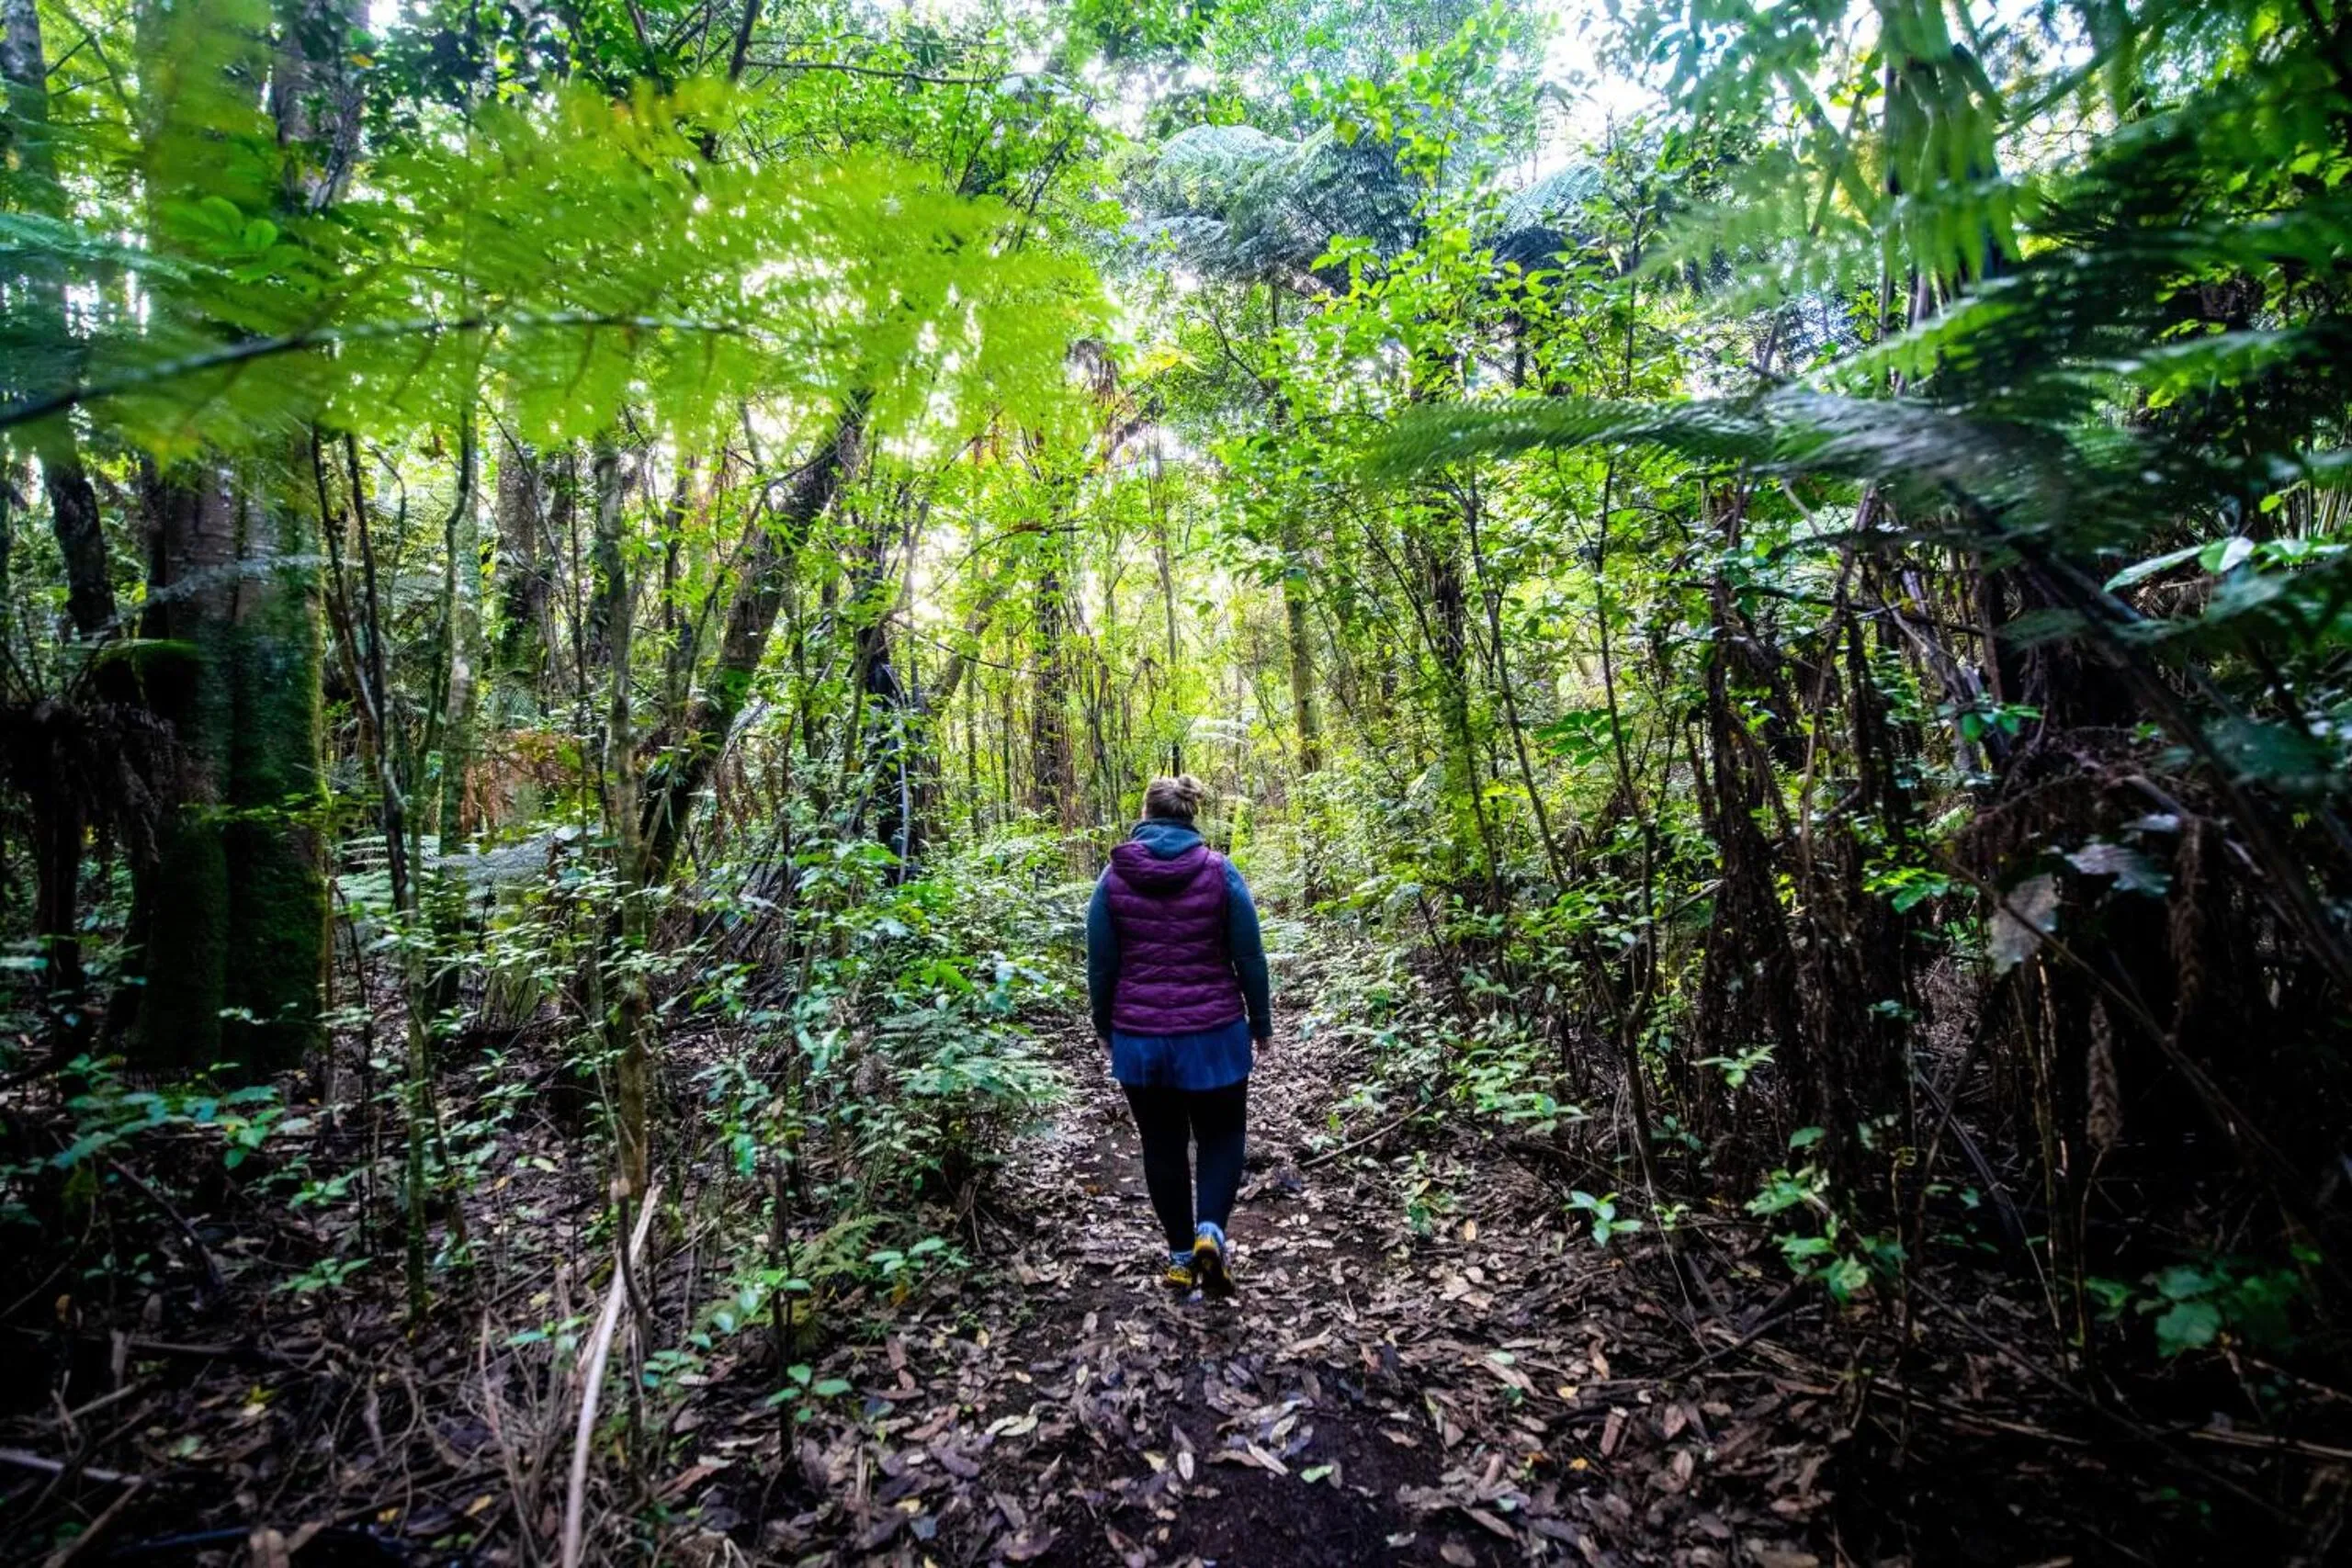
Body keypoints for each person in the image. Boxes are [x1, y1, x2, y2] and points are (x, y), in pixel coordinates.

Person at [1085, 774, 1273, 1297]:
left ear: (1146, 815)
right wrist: (1261, 1024)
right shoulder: (1220, 873)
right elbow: (1250, 957)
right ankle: (1211, 1231)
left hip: (1142, 1039)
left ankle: (1178, 1256)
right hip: (1214, 1034)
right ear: (1191, 817)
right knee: (1222, 1134)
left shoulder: (1113, 879)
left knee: (1162, 1145)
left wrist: (1105, 1028)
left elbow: (1101, 966)